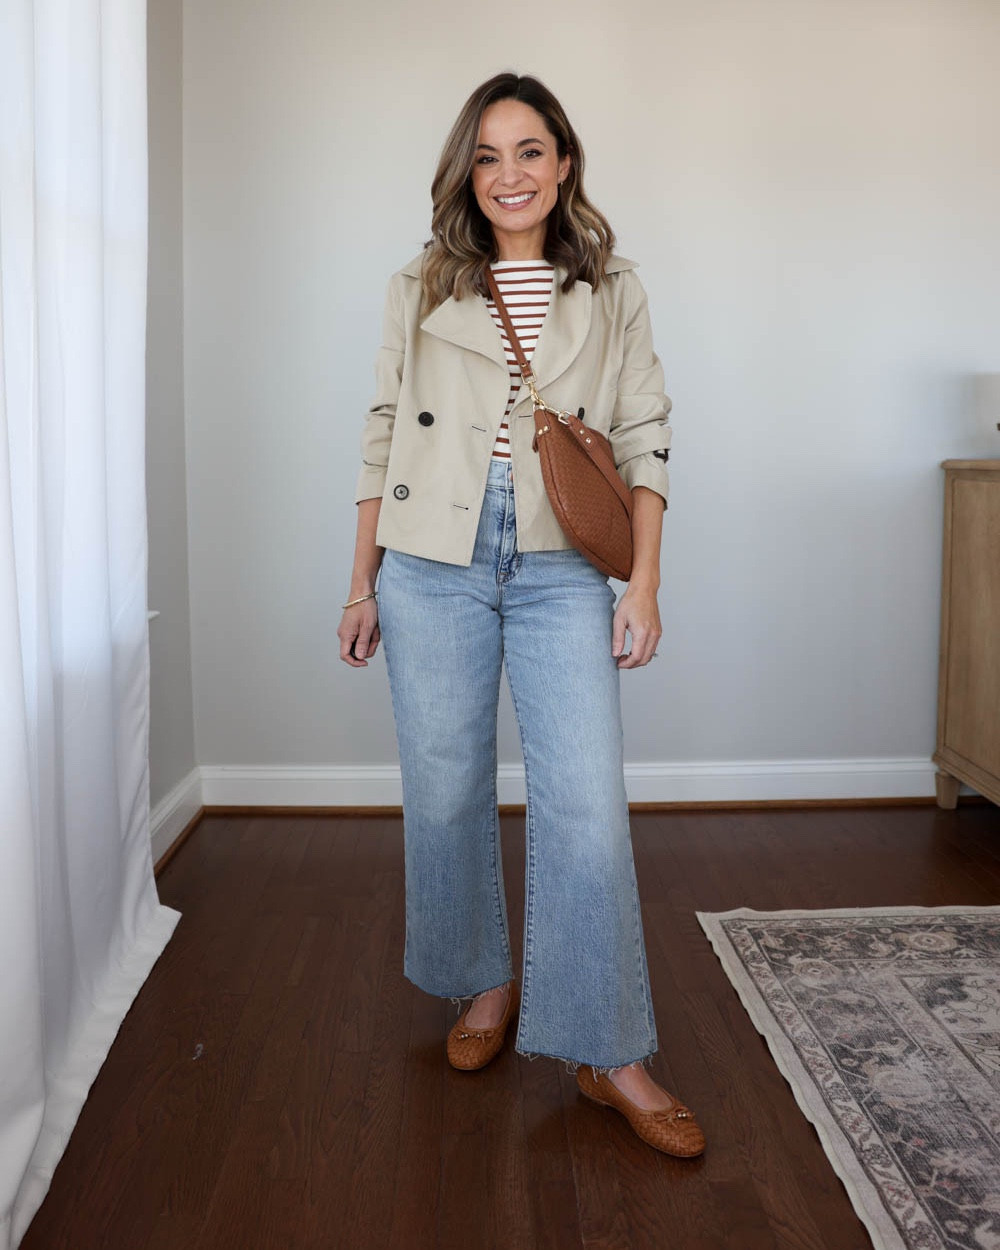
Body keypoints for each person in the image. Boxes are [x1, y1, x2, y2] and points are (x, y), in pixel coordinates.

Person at [337, 73, 705, 1158]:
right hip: (431, 558)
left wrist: (640, 581)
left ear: (564, 163)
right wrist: (359, 582)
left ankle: (611, 1051)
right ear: (467, 170)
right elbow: (377, 432)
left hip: (558, 564)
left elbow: (644, 434)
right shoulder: (420, 284)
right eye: (489, 155)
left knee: (585, 806)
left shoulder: (612, 286)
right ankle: (483, 985)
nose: (510, 175)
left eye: (530, 151)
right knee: (447, 788)